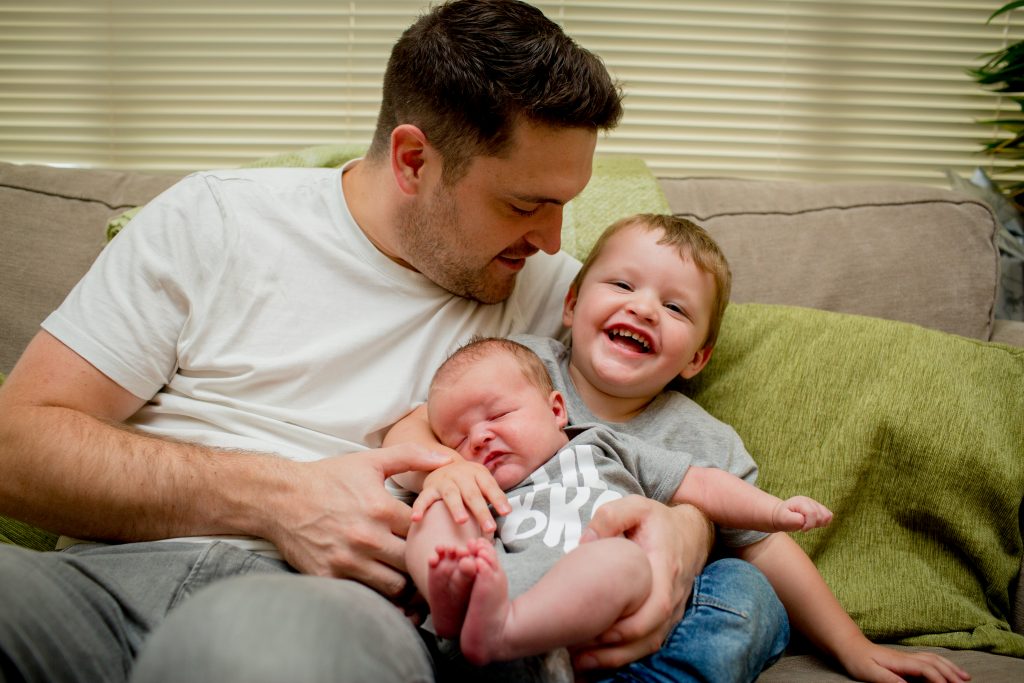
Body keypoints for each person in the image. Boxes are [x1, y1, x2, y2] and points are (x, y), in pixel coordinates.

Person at [0, 2, 733, 682]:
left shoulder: (565, 298)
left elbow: (664, 449)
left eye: (564, 208)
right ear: (414, 162)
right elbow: (17, 445)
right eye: (524, 205)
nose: (549, 240)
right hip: (93, 587)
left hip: (327, 611)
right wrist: (278, 498)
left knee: (241, 655)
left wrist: (685, 533)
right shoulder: (216, 220)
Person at [388, 213, 972, 683]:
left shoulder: (699, 437)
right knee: (441, 512)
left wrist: (854, 647)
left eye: (674, 307)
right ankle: (454, 602)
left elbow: (762, 546)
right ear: (571, 305)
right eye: (621, 284)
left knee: (748, 590)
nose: (643, 307)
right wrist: (440, 471)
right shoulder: (521, 366)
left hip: (621, 611)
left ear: (697, 356)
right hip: (501, 575)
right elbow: (420, 425)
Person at [404, 336, 829, 669]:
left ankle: (510, 630)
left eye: (497, 416)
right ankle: (449, 593)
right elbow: (415, 461)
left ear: (556, 409)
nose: (478, 438)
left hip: (585, 606)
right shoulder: (480, 484)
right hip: (489, 591)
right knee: (441, 504)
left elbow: (701, 485)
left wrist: (773, 510)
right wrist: (446, 474)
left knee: (623, 559)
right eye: (458, 438)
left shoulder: (602, 445)